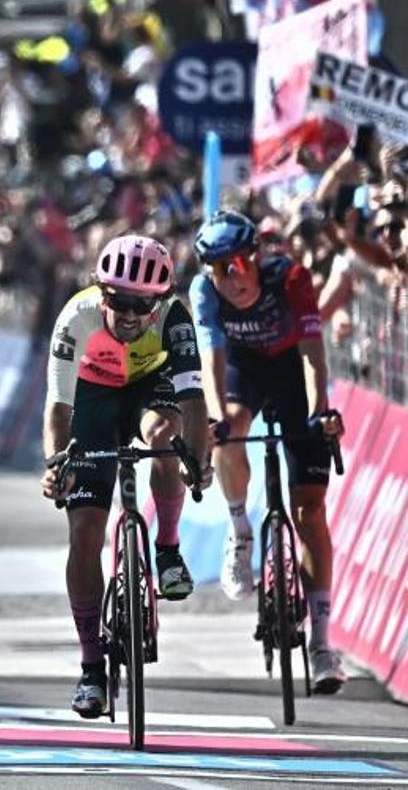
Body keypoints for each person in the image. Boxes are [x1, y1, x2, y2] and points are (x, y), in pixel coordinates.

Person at [41, 235, 212, 718]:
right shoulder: (77, 318)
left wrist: (196, 462)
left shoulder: (175, 319)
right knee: (85, 531)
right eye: (120, 300)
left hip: (148, 387)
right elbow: (58, 405)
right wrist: (56, 464)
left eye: (144, 303)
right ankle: (92, 667)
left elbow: (193, 401)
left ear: (159, 301)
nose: (132, 314)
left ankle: (168, 549)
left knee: (164, 433)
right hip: (92, 396)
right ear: (102, 293)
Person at [189, 210, 347, 694]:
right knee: (229, 428)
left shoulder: (291, 278)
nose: (231, 278)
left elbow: (313, 355)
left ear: (254, 257)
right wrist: (216, 419)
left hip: (292, 371)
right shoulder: (204, 293)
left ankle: (322, 644)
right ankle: (240, 533)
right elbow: (212, 360)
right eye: (219, 269)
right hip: (243, 371)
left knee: (310, 511)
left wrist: (321, 410)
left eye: (238, 263)